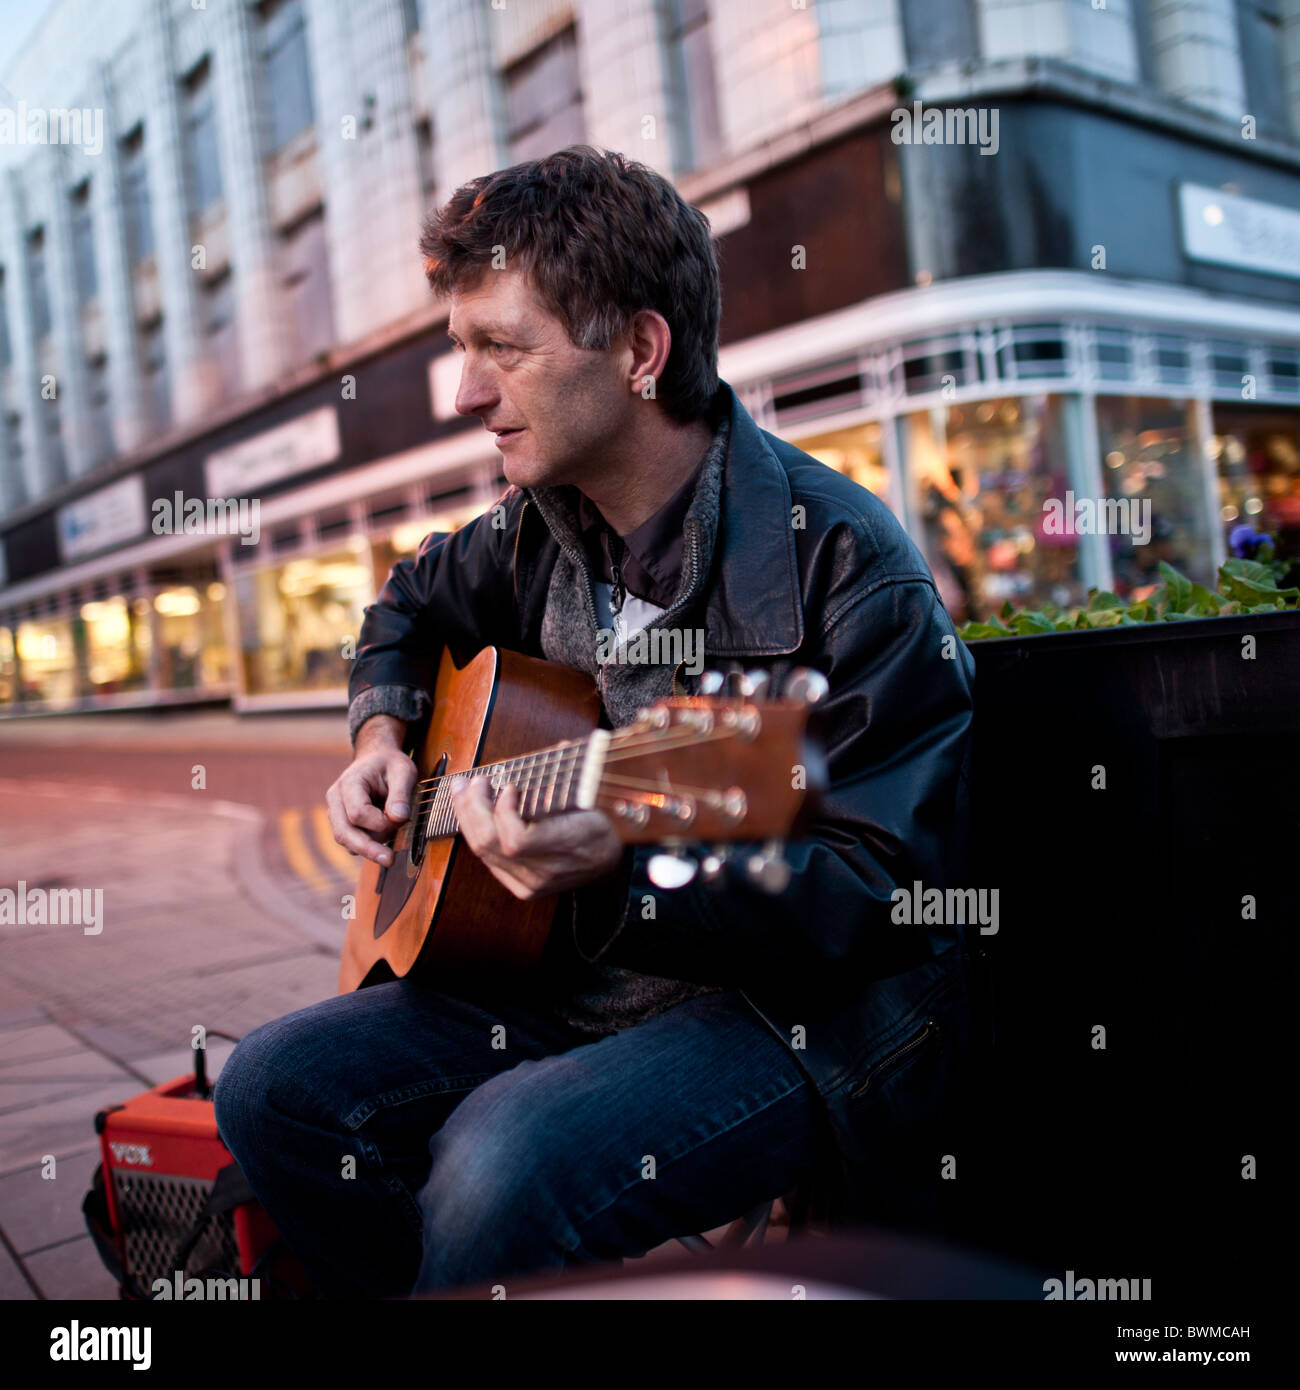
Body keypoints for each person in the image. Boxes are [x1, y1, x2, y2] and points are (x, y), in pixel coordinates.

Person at [214, 146, 978, 1299]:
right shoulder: (530, 526)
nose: (465, 392)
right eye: (459, 348)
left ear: (638, 351)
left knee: (499, 1162)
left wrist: (629, 874)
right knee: (269, 1087)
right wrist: (381, 737)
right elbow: (405, 608)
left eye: (500, 348)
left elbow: (882, 890)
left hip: (786, 1013)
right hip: (553, 971)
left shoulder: (843, 564)